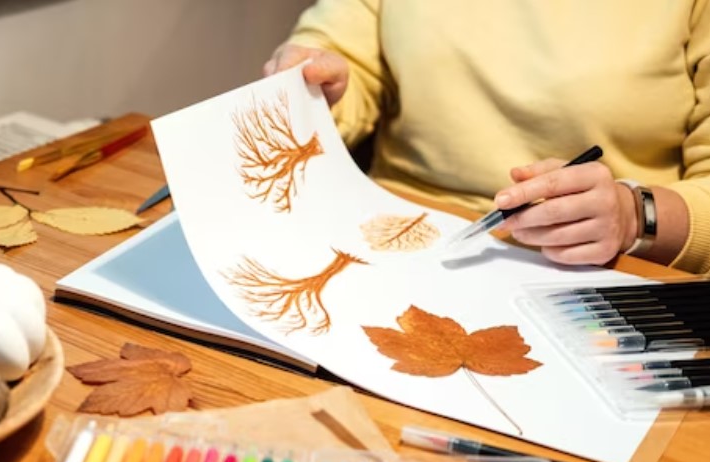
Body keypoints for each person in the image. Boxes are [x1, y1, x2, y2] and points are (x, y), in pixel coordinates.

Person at [263, 0, 710, 274]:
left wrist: (634, 216)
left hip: (601, 270)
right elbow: (345, 54)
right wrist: (314, 87)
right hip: (394, 237)